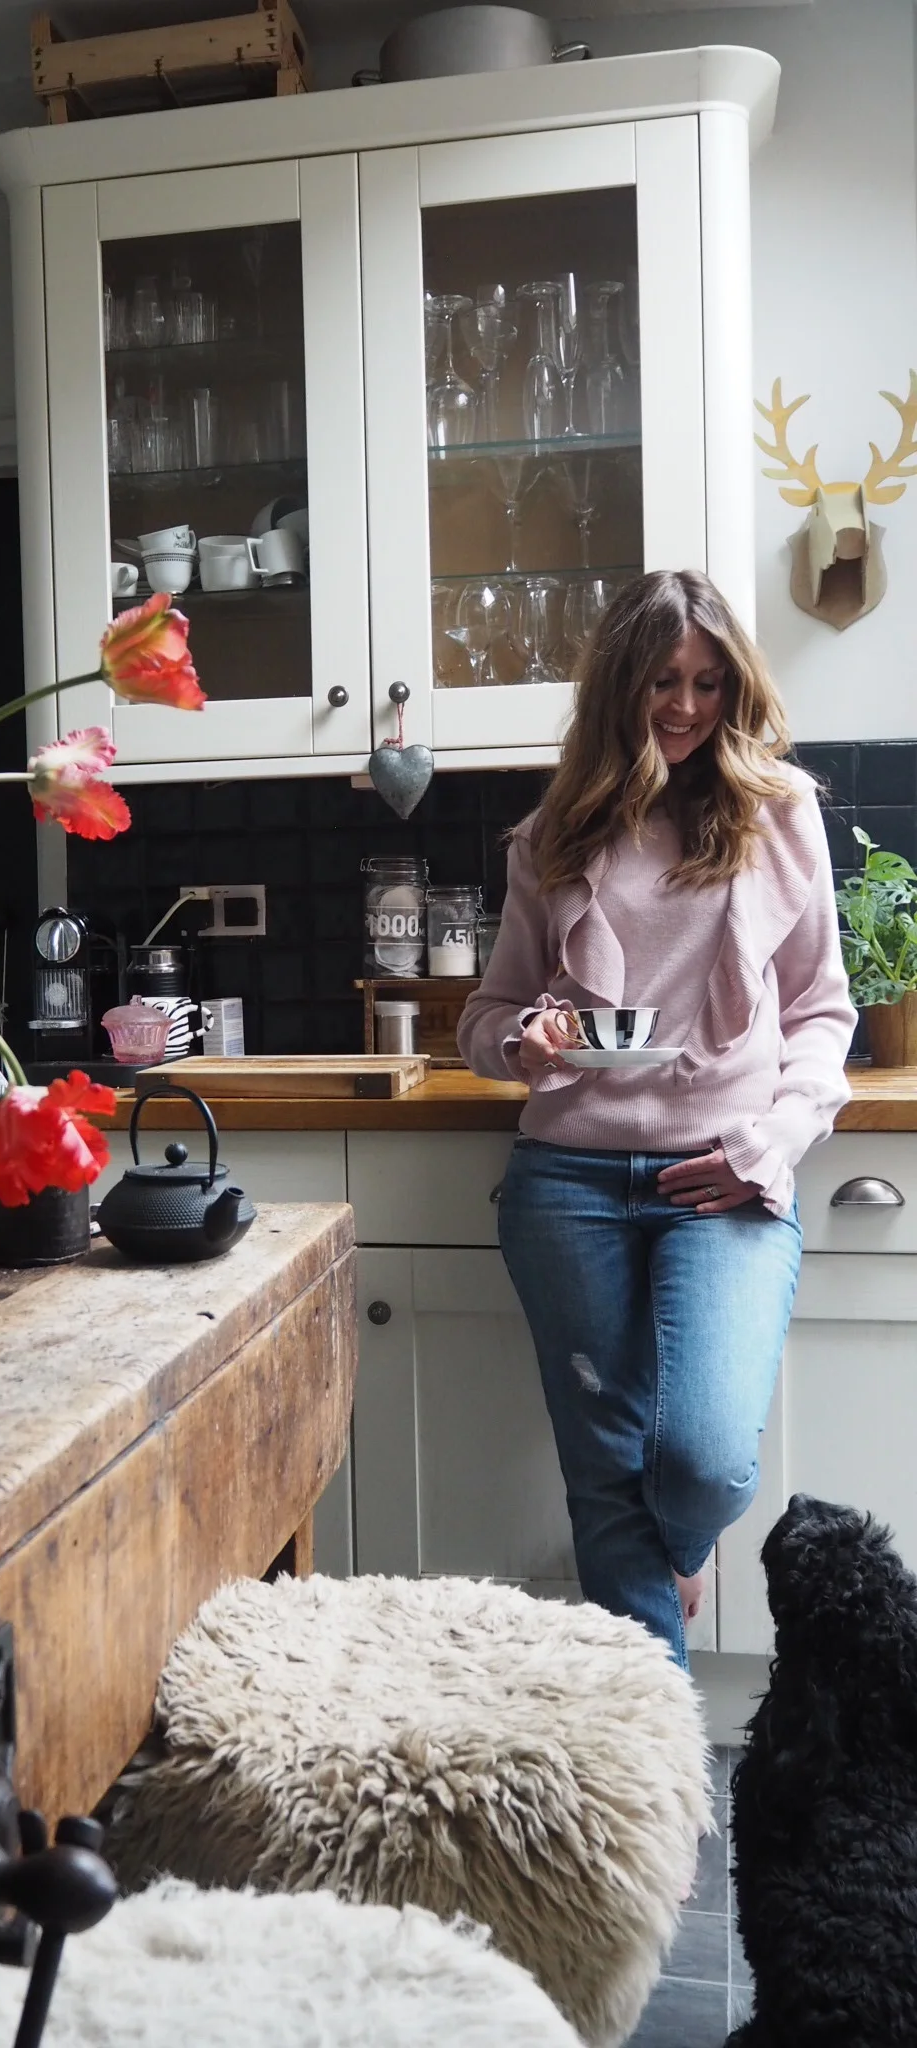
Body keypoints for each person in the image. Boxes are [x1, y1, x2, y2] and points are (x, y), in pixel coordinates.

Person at [457, 569, 854, 1668]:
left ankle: (680, 1547)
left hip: (726, 1176)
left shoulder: (778, 816)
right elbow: (487, 1014)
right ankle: (658, 1751)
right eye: (662, 680)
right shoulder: (554, 833)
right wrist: (522, 1043)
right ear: (619, 685)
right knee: (602, 1472)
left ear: (735, 688)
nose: (685, 705)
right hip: (567, 1186)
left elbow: (823, 1012)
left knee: (702, 1461)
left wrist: (771, 1142)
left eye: (708, 682)